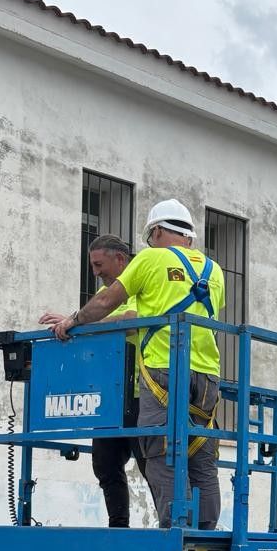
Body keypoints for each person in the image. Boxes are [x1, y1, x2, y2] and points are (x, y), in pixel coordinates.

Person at [40, 199, 225, 528]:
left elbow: (112, 304)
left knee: (159, 454)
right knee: (201, 455)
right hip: (208, 374)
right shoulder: (215, 271)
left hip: (162, 373)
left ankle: (175, 534)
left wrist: (72, 321)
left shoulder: (152, 259)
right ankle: (206, 534)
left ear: (156, 232)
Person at [83, 233, 140, 527]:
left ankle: (171, 527)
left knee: (151, 463)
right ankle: (118, 526)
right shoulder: (107, 295)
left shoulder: (141, 281)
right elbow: (88, 315)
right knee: (104, 463)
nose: (96, 273)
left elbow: (128, 320)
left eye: (98, 264)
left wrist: (90, 326)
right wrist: (68, 321)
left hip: (142, 393)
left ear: (120, 259)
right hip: (110, 396)